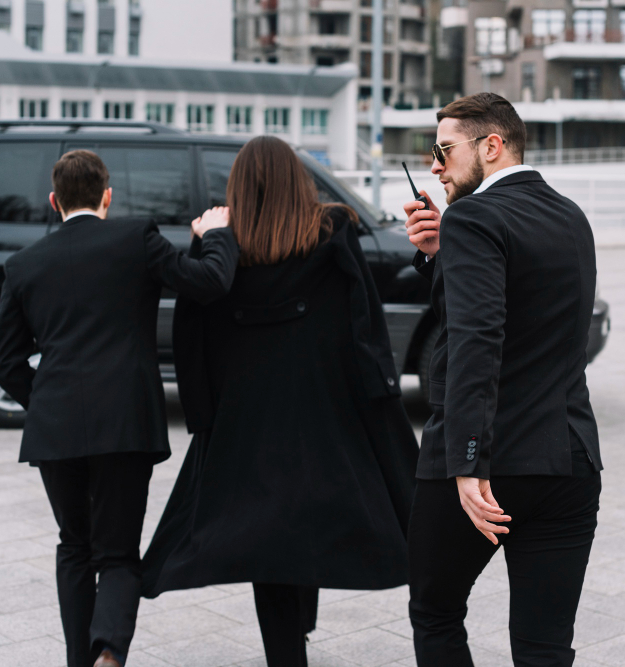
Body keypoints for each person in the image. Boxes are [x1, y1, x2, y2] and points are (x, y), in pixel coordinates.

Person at [141, 136, 419, 667]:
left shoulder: (225, 245)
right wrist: (378, 393)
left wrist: (203, 412)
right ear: (298, 179)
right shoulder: (333, 230)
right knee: (304, 521)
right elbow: (364, 318)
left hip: (247, 419)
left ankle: (286, 652)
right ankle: (301, 628)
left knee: (266, 541)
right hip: (321, 410)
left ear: (239, 186)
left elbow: (192, 329)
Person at [0, 150, 239, 667]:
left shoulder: (23, 265)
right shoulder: (135, 238)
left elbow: (4, 363)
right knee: (119, 552)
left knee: (74, 546)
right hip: (126, 422)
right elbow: (209, 282)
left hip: (55, 429)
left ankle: (80, 660)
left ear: (54, 201)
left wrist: (47, 402)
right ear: (107, 196)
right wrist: (215, 235)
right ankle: (108, 649)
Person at [403, 93, 603, 666]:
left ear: (491, 146)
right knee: (544, 645)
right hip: (569, 459)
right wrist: (441, 255)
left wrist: (467, 461)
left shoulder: (472, 217)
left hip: (488, 466)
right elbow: (524, 317)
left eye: (444, 150)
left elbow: (476, 340)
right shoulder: (570, 214)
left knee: (436, 612)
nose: (434, 167)